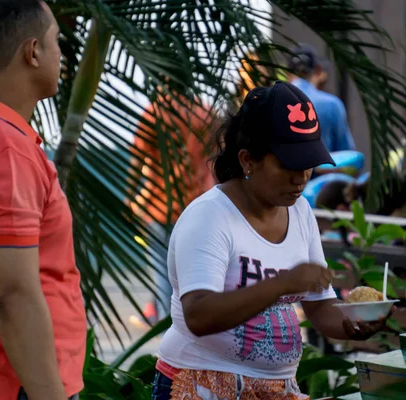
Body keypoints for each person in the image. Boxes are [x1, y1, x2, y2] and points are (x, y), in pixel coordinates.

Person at [151, 82, 392, 400]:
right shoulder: (209, 217)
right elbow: (199, 315)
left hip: (276, 389)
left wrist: (352, 323)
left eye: (307, 165)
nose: (301, 177)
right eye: (289, 166)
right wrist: (282, 283)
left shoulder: (301, 211)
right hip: (202, 385)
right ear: (248, 159)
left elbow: (320, 307)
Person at [0, 1, 86, 400]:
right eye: (55, 43)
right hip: (9, 385)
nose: (61, 56)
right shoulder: (3, 151)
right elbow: (13, 293)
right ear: (32, 52)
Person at [128, 89, 217, 326]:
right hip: (199, 207)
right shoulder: (206, 111)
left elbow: (138, 161)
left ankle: (170, 333)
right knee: (195, 273)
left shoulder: (155, 112)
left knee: (163, 275)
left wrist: (129, 198)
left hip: (160, 207)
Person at [288, 43, 356, 154]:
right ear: (318, 70)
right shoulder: (332, 104)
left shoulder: (270, 101)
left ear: (287, 73)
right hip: (323, 171)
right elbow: (346, 154)